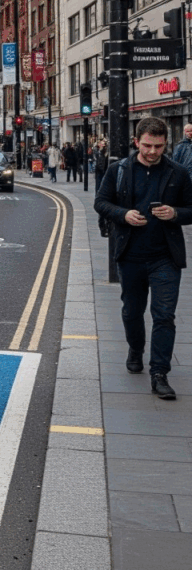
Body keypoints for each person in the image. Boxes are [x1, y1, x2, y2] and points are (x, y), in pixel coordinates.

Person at [94, 116, 192, 400]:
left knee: (164, 316)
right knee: (132, 312)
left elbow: (191, 209)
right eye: (147, 145)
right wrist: (123, 214)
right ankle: (136, 348)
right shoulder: (119, 170)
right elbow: (101, 202)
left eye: (158, 146)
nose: (152, 151)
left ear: (166, 144)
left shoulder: (177, 173)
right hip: (131, 256)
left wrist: (175, 213)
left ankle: (159, 373)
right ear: (137, 142)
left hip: (165, 257)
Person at [94, 139, 110, 237]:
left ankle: (105, 227)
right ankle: (103, 228)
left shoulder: (105, 155)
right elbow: (101, 167)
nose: (104, 145)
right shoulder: (100, 154)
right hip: (101, 183)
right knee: (102, 205)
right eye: (102, 144)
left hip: (103, 181)